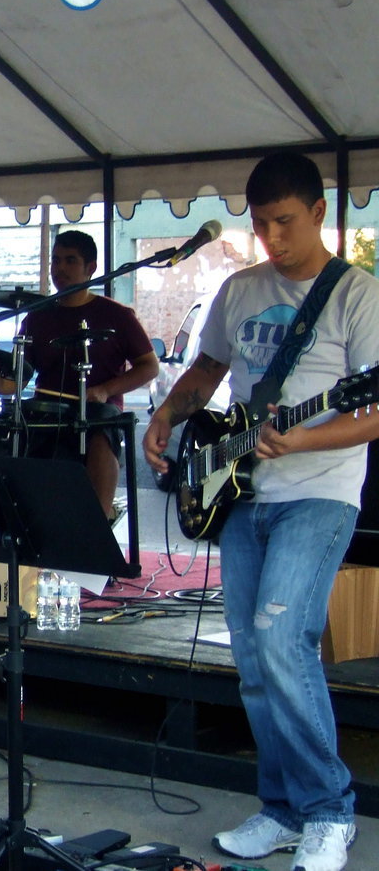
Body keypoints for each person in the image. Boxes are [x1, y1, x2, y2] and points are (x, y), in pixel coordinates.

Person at [144, 152, 379, 871]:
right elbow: (209, 371)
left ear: (317, 212)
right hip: (241, 493)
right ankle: (281, 809)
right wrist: (167, 414)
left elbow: (374, 414)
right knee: (250, 657)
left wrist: (304, 438)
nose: (273, 238)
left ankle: (329, 810)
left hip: (321, 490)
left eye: (285, 222)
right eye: (261, 224)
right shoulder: (239, 290)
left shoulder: (357, 296)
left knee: (283, 641)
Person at [0, 230, 158, 521]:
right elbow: (16, 380)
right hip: (45, 409)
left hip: (98, 410)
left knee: (101, 435)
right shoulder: (37, 316)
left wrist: (107, 389)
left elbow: (149, 366)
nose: (60, 269)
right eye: (56, 261)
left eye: (70, 261)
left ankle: (97, 522)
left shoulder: (117, 316)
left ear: (90, 268)